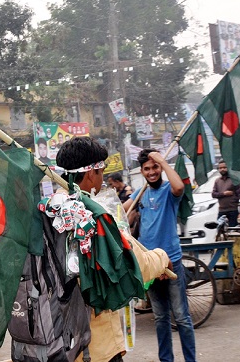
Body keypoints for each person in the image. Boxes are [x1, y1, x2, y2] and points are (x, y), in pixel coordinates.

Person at [56, 138, 170, 362]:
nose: (102, 179)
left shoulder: (48, 211)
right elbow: (136, 266)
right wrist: (163, 259)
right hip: (96, 347)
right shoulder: (93, 217)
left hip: (56, 343)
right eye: (101, 171)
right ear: (91, 174)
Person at [123, 148, 196, 362]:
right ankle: (167, 359)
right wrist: (127, 212)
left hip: (172, 261)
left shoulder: (167, 191)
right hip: (150, 264)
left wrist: (162, 161)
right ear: (142, 171)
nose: (152, 172)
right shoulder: (141, 193)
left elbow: (180, 186)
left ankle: (191, 360)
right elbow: (120, 215)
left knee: (181, 317)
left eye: (155, 167)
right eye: (147, 168)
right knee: (160, 317)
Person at [211, 160, 240, 227]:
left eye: (224, 167)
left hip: (233, 210)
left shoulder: (234, 180)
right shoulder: (217, 181)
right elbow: (213, 194)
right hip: (222, 210)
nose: (222, 169)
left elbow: (239, 196)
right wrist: (224, 194)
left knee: (233, 232)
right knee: (220, 230)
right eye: (220, 168)